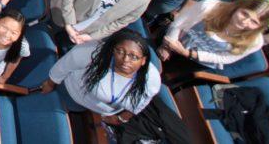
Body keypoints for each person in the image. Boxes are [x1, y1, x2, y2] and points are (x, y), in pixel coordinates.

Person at [41, 30, 187, 144]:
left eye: (133, 56)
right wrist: (50, 82)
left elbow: (140, 103)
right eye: (120, 51)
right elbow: (65, 64)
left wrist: (121, 119)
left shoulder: (151, 79)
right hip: (74, 94)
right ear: (113, 50)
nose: (125, 60)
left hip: (107, 111)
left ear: (143, 61)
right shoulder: (94, 53)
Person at [159, 0, 269, 72]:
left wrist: (186, 53)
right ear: (237, 7)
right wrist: (167, 46)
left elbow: (225, 58)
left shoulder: (255, 41)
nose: (245, 22)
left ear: (259, 27)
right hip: (173, 40)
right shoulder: (210, 5)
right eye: (244, 14)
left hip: (195, 61)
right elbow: (179, 23)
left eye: (254, 22)